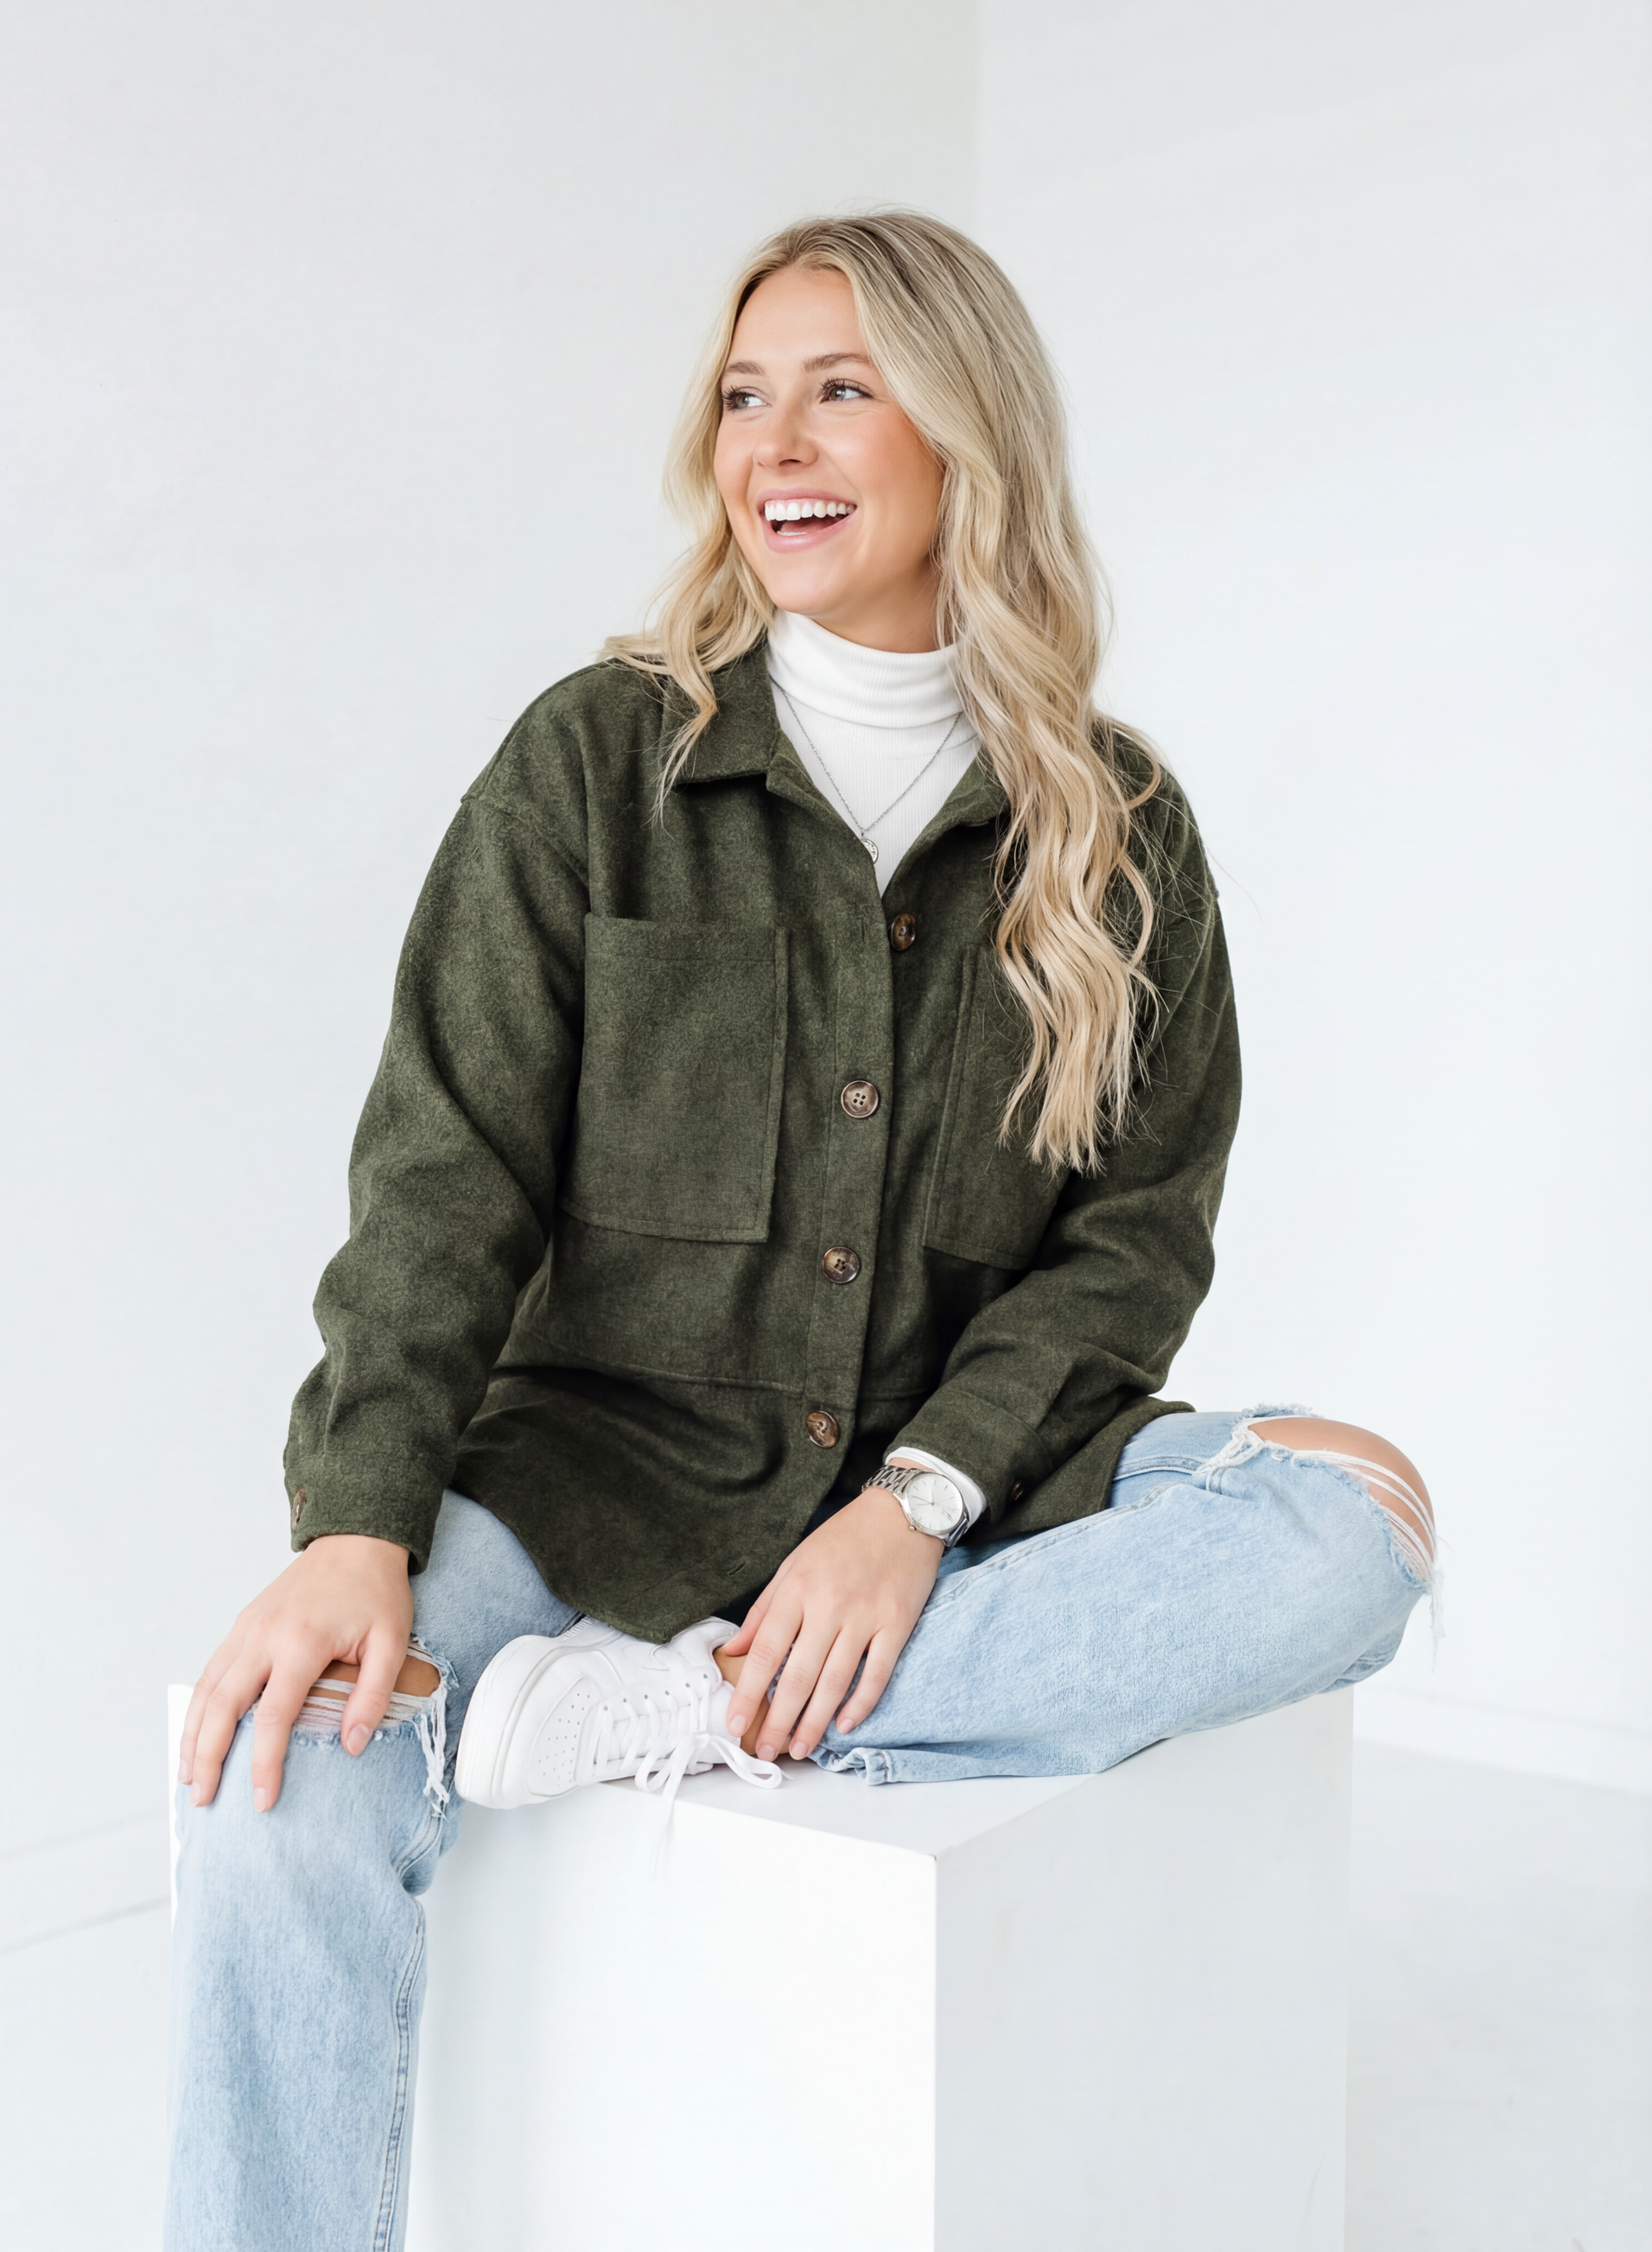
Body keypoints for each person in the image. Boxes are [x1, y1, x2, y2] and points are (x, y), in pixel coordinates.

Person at [167, 211, 1434, 2250]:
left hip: (955, 1492)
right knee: (280, 1767)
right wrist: (357, 1522)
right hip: (591, 1486)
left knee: (1355, 1525)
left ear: (963, 431)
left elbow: (1132, 1241)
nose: (774, 443)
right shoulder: (597, 764)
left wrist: (914, 1504)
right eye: (744, 396)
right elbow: (443, 1166)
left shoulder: (1117, 831)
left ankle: (687, 1706)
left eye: (841, 388)